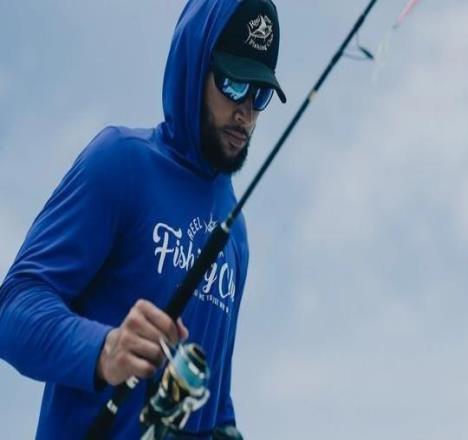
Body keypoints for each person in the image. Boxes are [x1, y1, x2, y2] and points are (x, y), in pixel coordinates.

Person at [0, 0, 286, 438]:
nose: (245, 112)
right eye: (233, 83)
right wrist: (104, 350)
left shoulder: (236, 232)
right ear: (194, 66)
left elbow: (215, 397)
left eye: (260, 93)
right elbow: (13, 308)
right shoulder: (120, 163)